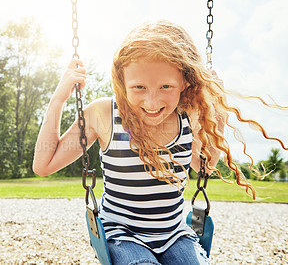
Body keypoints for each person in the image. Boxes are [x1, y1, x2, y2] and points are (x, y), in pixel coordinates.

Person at [33, 20, 286, 264]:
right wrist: (58, 98)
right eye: (139, 87)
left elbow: (204, 166)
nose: (152, 103)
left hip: (175, 235)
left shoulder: (188, 117)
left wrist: (215, 107)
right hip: (121, 235)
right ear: (122, 81)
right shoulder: (104, 115)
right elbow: (44, 165)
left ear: (185, 81)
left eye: (166, 86)